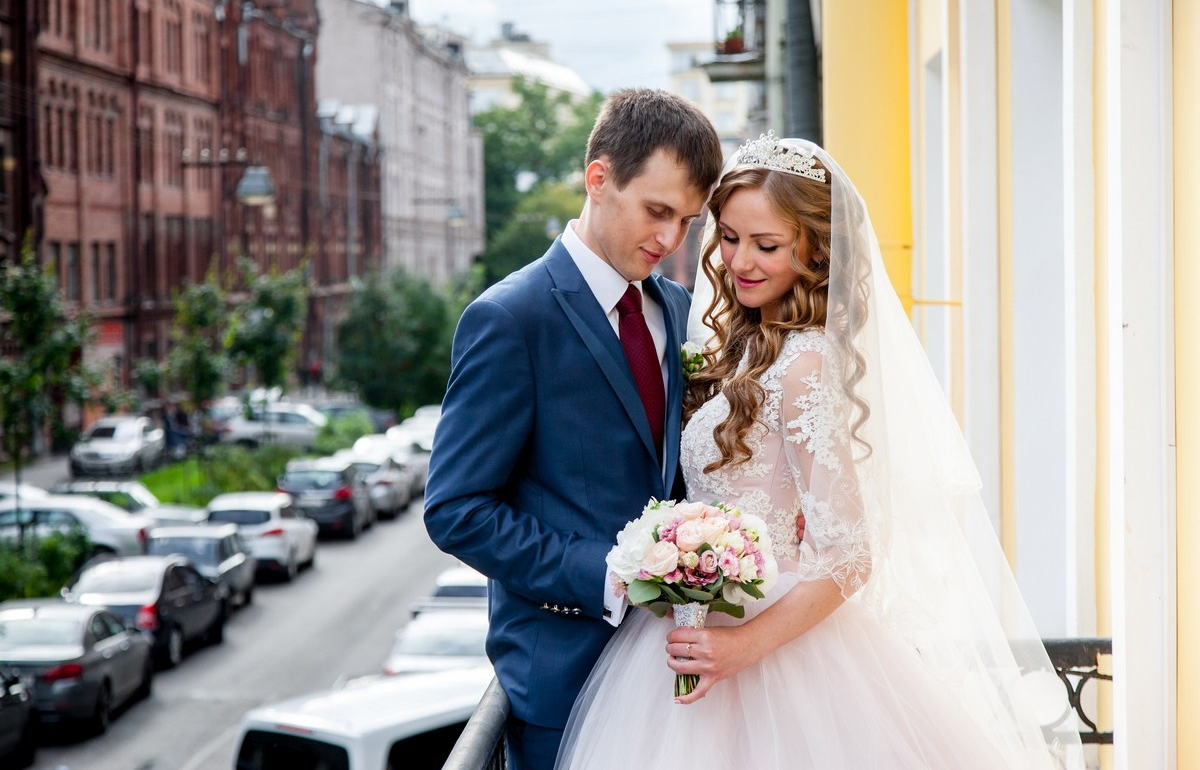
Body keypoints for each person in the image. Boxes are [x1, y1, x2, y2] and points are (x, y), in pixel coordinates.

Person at [554, 134, 1085, 768]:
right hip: (692, 626)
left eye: (767, 245)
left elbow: (851, 552)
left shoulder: (804, 361)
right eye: (728, 237)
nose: (740, 261)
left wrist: (742, 647)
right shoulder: (741, 343)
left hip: (776, 653)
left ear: (814, 251)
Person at [423, 88, 725, 769]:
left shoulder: (675, 308)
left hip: (672, 679)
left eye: (687, 221)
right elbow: (456, 510)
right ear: (598, 178)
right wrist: (608, 574)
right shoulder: (508, 318)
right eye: (656, 211)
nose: (670, 240)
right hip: (563, 686)